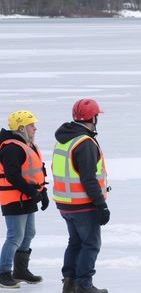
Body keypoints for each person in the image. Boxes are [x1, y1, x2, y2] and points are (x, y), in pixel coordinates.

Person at [52, 98, 110, 293]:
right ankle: (84, 285)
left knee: (75, 242)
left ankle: (69, 283)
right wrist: (101, 205)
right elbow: (88, 179)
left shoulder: (65, 139)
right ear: (93, 118)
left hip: (65, 203)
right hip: (83, 204)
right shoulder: (84, 142)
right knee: (91, 244)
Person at [0, 110, 48, 288]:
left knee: (29, 233)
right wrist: (32, 192)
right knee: (15, 236)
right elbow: (12, 175)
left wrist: (41, 193)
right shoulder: (11, 148)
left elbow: (35, 173)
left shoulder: (27, 145)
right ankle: (3, 273)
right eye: (31, 125)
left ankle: (20, 270)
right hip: (14, 198)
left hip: (26, 197)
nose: (35, 128)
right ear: (21, 128)